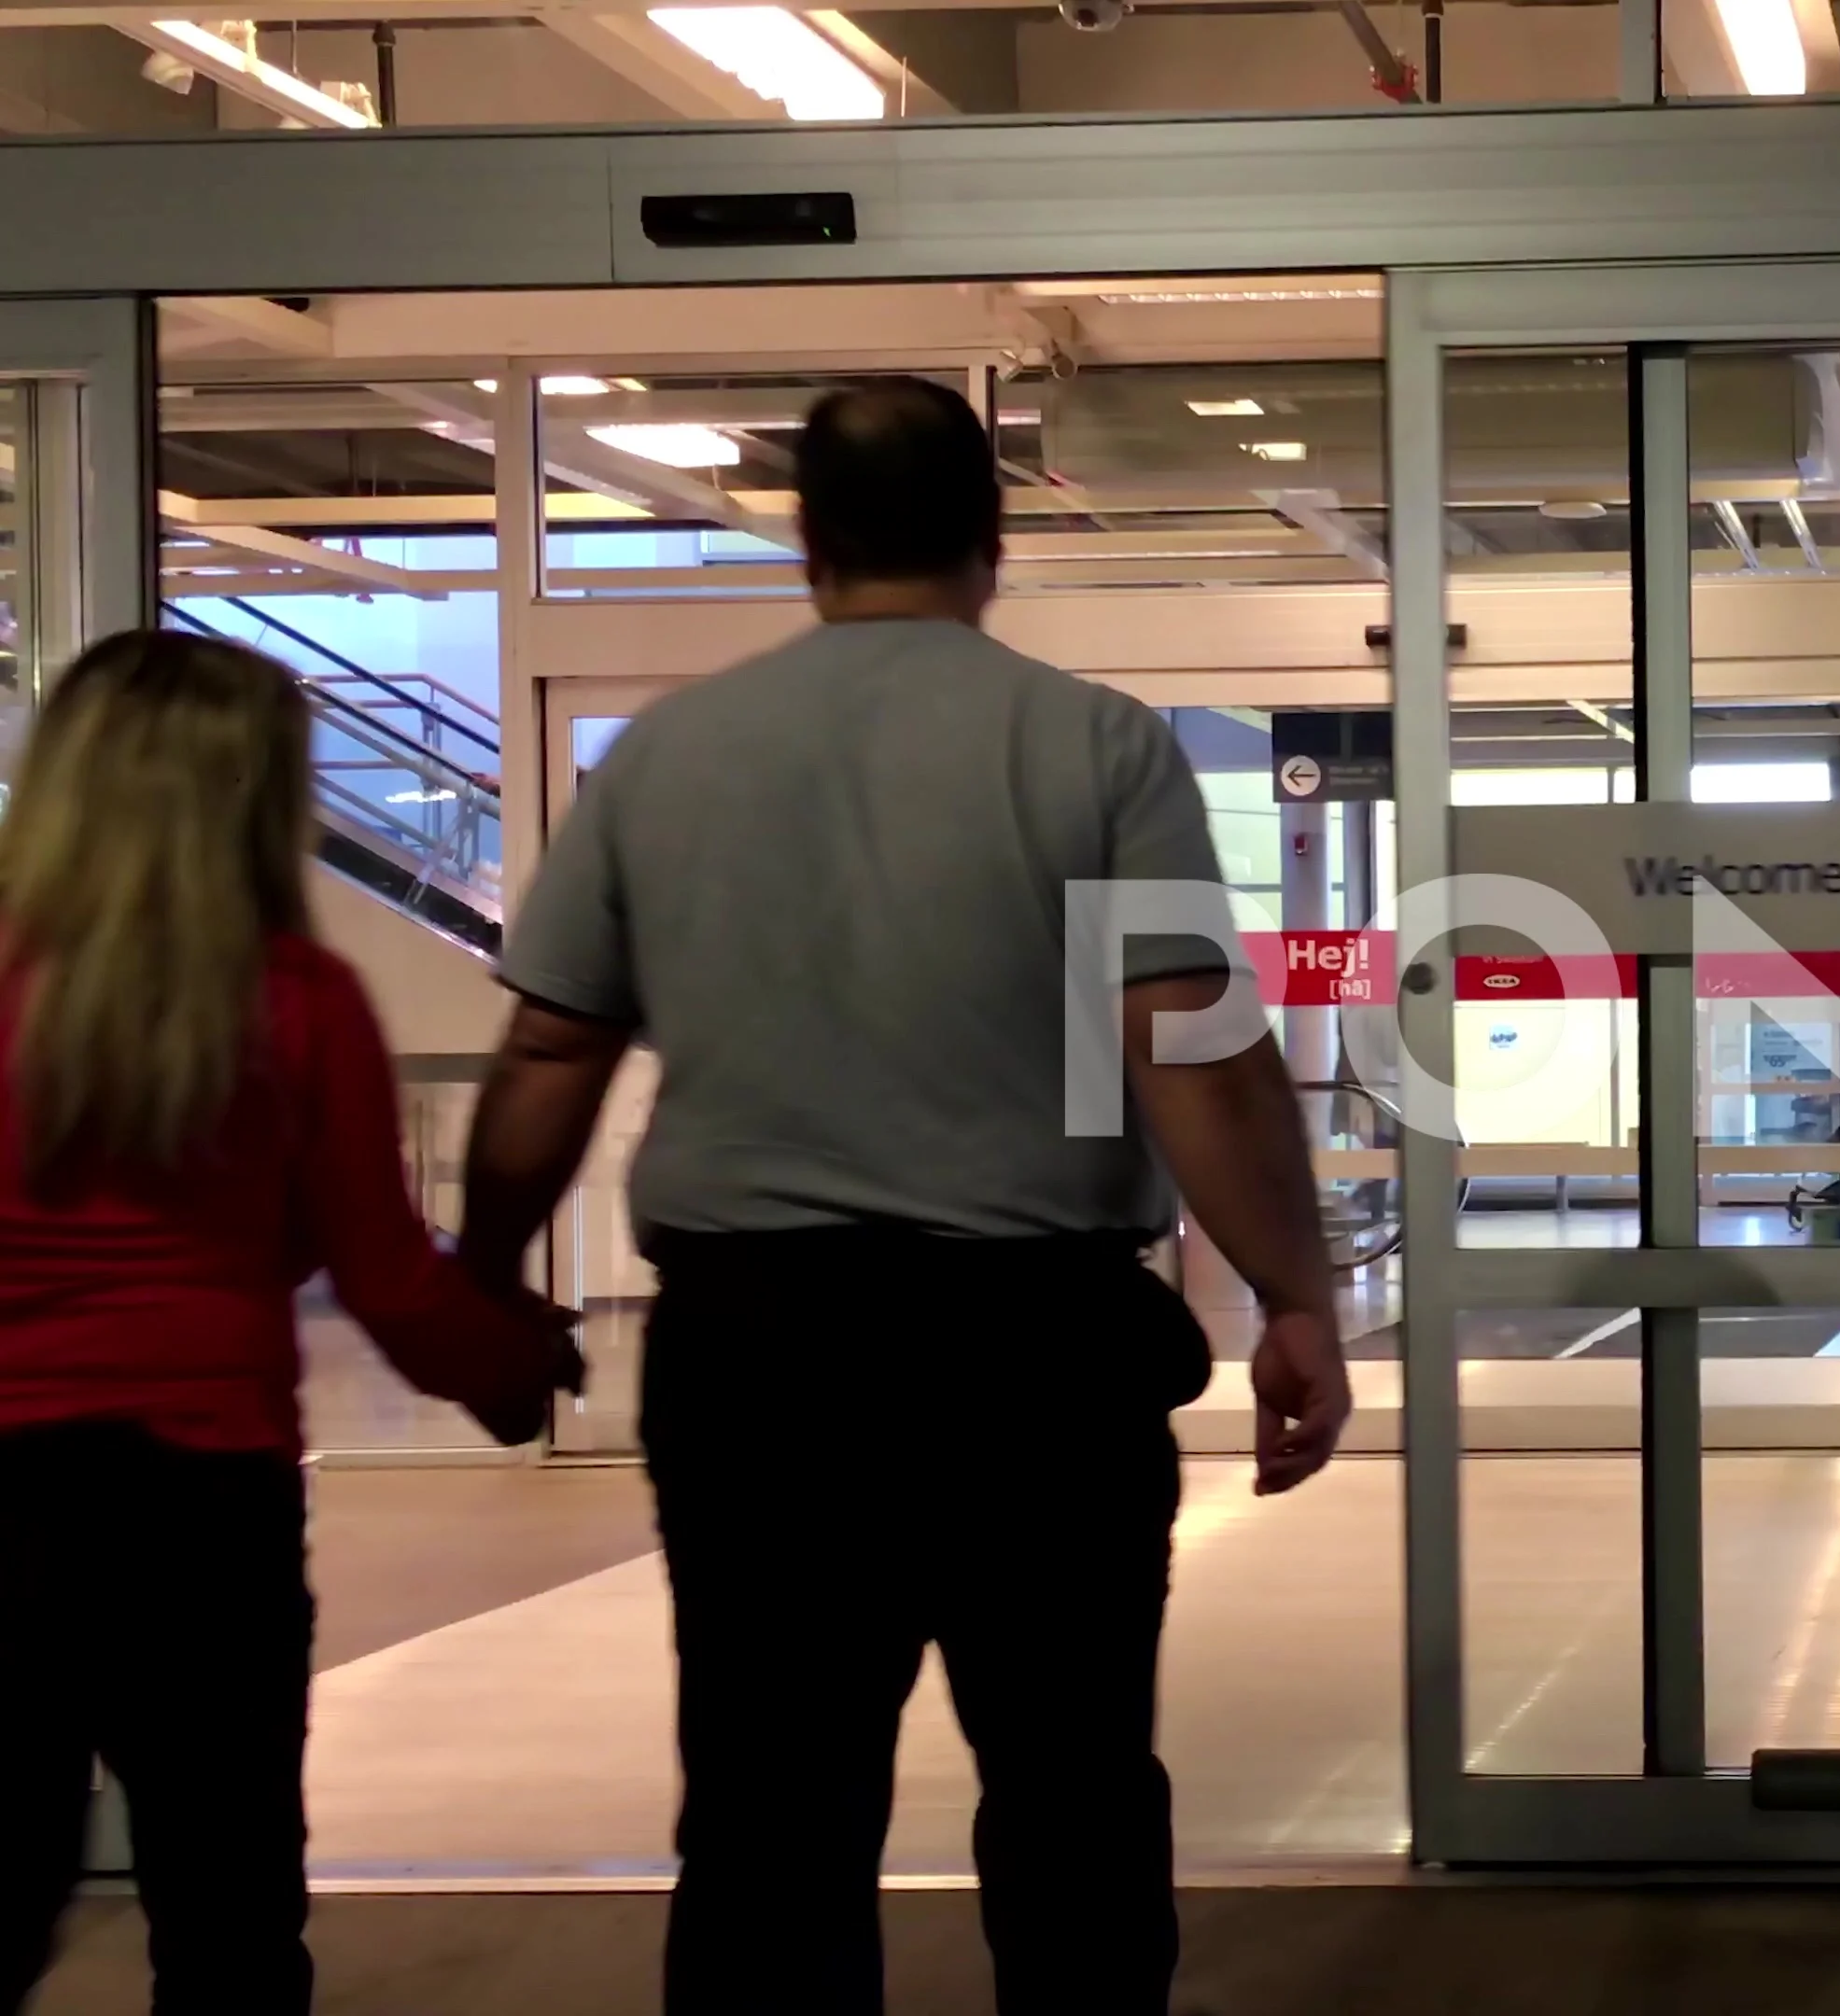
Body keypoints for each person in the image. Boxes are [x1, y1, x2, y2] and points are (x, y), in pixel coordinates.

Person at [454, 380, 1350, 2016]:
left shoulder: (666, 757)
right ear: (992, 541)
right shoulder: (1091, 743)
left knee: (769, 1822)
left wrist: (490, 1274)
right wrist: (1300, 1297)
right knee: (1073, 1803)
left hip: (758, 1360)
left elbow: (546, 1050)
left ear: (805, 538)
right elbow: (1195, 1058)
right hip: (1034, 1364)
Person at [0, 631, 578, 2014]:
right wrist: (519, 1371)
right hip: (197, 1512)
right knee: (228, 1915)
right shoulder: (298, 1002)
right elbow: (388, 1282)